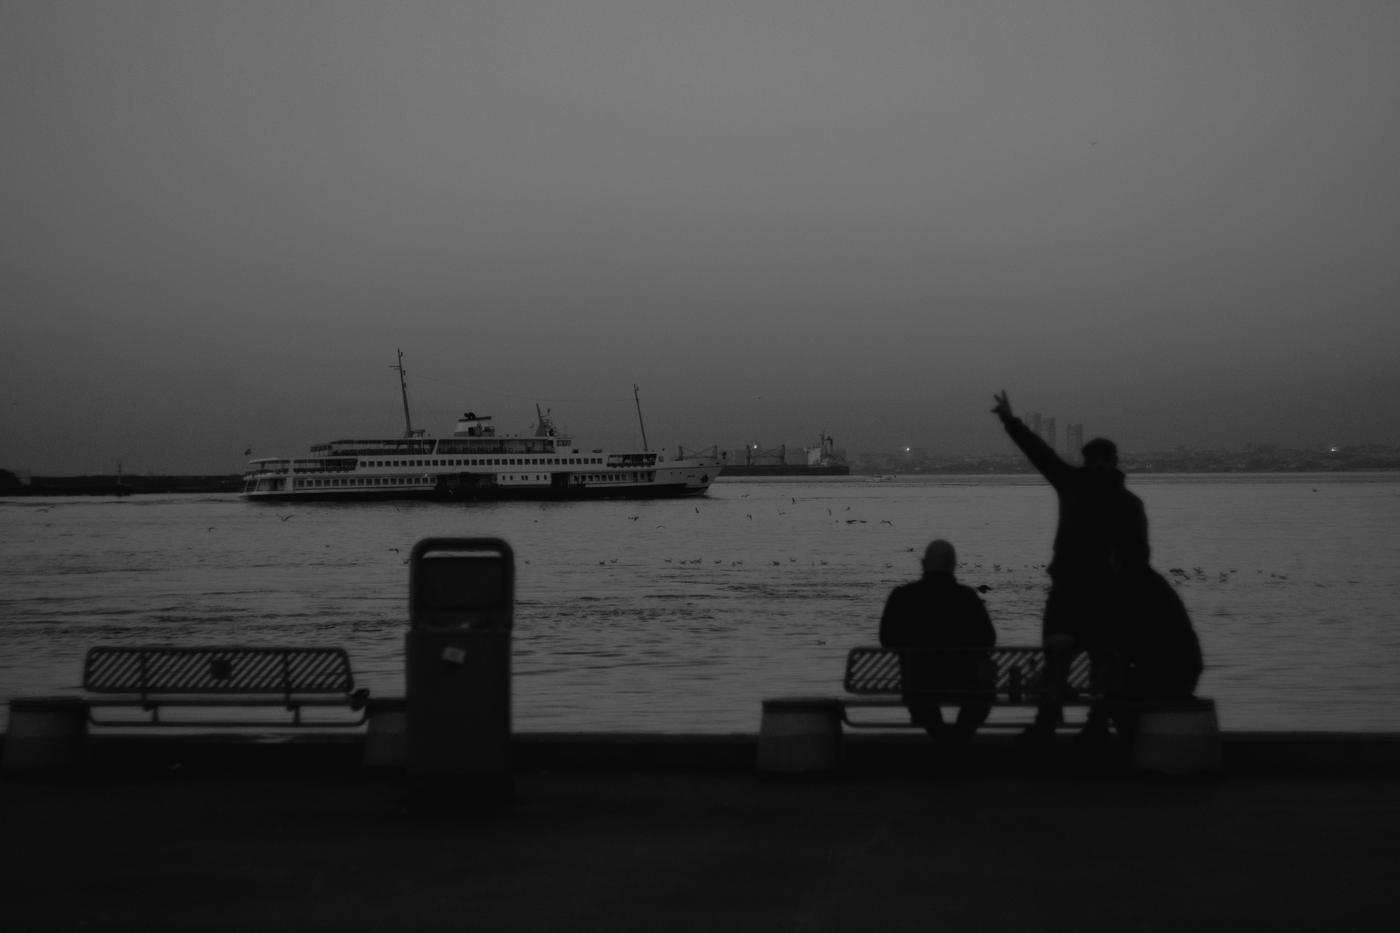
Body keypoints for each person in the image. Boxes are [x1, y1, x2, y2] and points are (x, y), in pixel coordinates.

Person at [991, 391, 1150, 740]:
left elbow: (1138, 558)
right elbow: (1039, 453)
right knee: (1075, 662)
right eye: (1093, 460)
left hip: (1097, 594)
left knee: (1095, 663)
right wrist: (1010, 421)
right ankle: (1062, 720)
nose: (1097, 466)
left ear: (1111, 461)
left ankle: (1079, 721)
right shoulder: (1105, 495)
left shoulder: (1102, 495)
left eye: (1101, 461)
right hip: (1079, 592)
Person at [879, 539, 998, 741]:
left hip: (918, 685)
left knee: (920, 694)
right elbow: (989, 639)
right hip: (965, 683)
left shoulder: (902, 597)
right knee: (981, 693)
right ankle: (957, 740)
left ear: (923, 564)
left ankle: (942, 739)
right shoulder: (967, 597)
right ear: (953, 566)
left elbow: (887, 639)